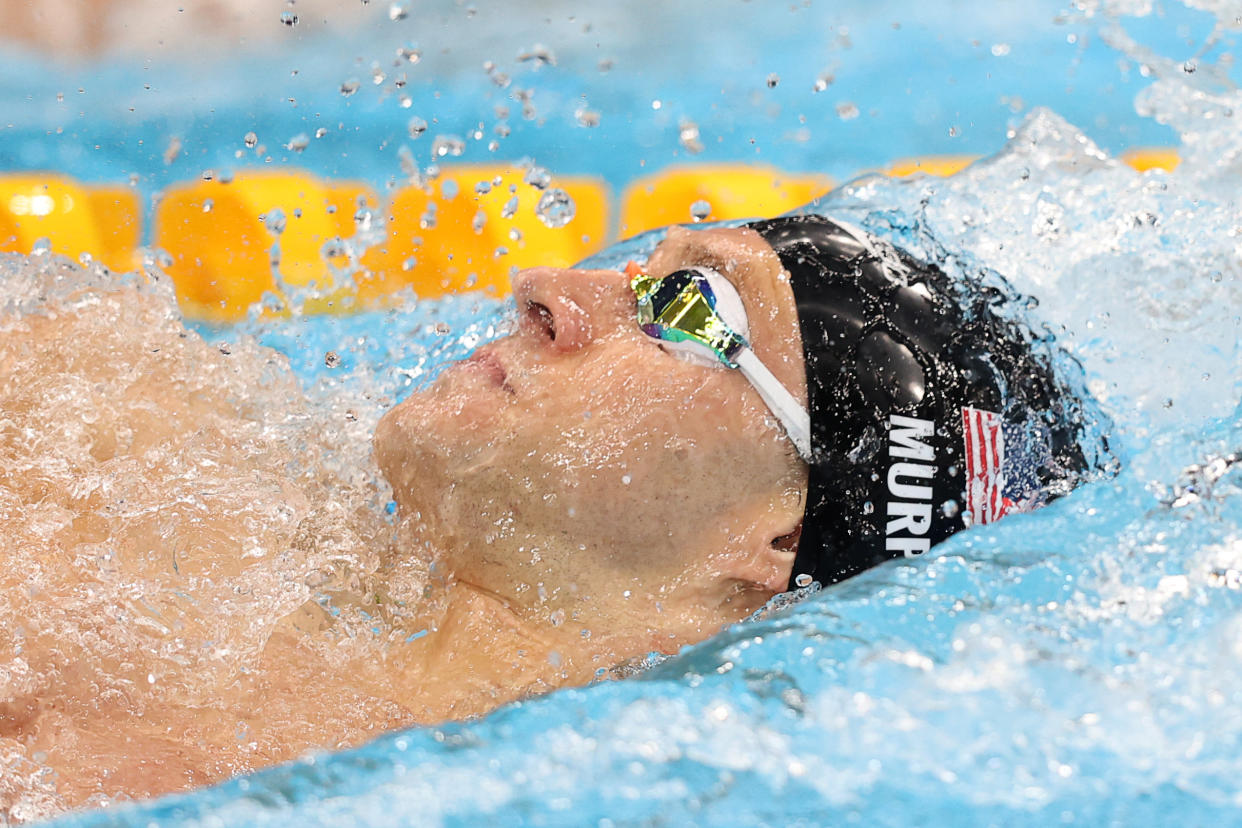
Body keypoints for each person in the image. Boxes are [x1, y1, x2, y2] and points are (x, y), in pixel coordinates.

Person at [0, 216, 1105, 817]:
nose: (551, 287)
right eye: (642, 265)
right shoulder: (128, 421)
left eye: (687, 309)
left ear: (775, 541)